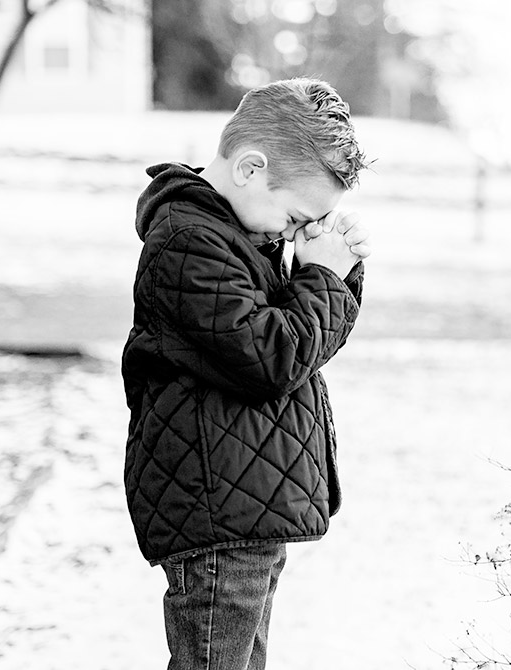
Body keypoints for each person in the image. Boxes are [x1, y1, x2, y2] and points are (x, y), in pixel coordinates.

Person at [121, 77, 370, 670]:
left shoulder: (236, 234)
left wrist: (338, 269)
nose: (293, 233)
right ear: (250, 169)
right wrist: (323, 278)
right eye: (296, 217)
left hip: (246, 505)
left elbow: (300, 346)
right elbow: (272, 358)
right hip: (217, 511)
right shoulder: (188, 242)